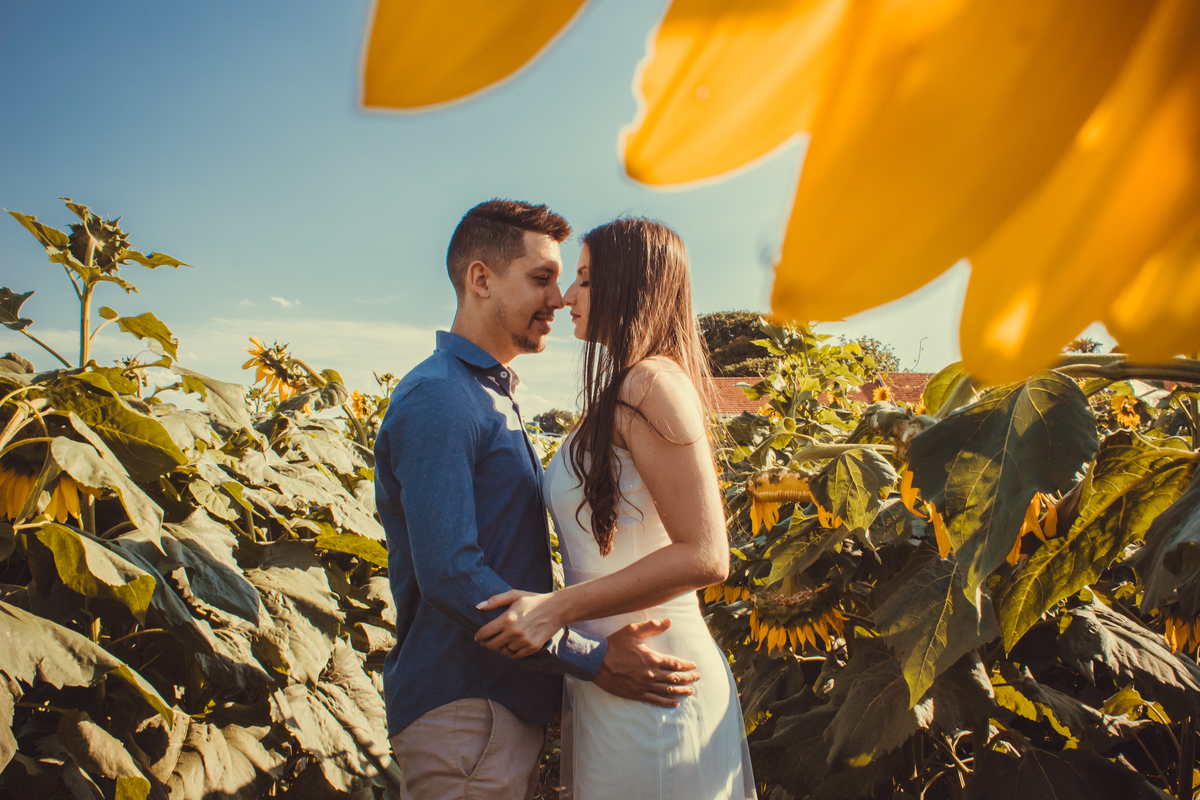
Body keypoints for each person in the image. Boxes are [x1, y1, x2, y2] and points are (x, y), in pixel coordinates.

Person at [374, 201, 702, 800]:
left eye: (567, 279)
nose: (558, 298)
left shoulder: (489, 397)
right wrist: (590, 658)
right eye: (542, 278)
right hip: (466, 705)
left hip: (501, 705)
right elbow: (451, 572)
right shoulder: (441, 397)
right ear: (481, 279)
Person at [475, 218, 756, 799]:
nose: (567, 296)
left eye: (583, 279)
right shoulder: (625, 388)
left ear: (630, 286)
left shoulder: (650, 383)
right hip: (614, 671)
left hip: (656, 675)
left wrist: (556, 609)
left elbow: (707, 555)